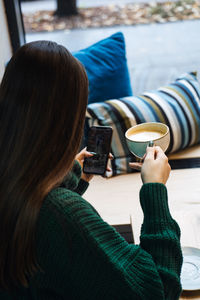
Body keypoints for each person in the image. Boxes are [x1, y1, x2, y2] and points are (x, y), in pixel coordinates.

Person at [0, 40, 182, 299]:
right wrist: (154, 191)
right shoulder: (62, 214)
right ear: (67, 119)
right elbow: (158, 291)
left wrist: (70, 175)